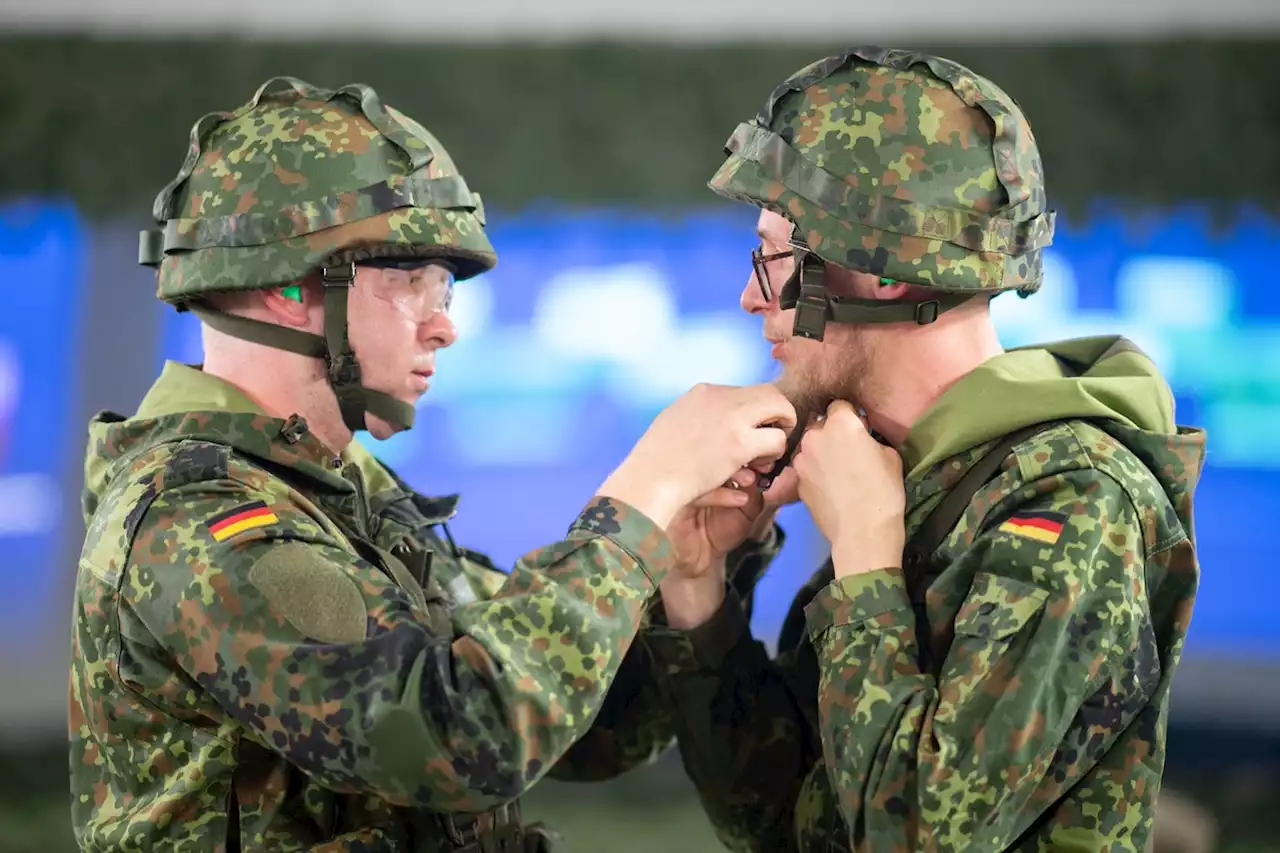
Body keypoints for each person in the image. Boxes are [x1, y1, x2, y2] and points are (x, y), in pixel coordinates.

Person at [67, 77, 795, 852]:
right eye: (410, 282)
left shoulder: (341, 493)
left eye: (441, 286)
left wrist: (683, 571)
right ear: (287, 286)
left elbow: (591, 728)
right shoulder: (195, 522)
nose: (443, 324)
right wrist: (640, 503)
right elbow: (463, 737)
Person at [647, 46, 1207, 852]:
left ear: (883, 275)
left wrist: (869, 564)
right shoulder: (922, 476)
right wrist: (697, 590)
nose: (750, 298)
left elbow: (921, 836)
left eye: (774, 258)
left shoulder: (1073, 504)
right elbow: (784, 819)